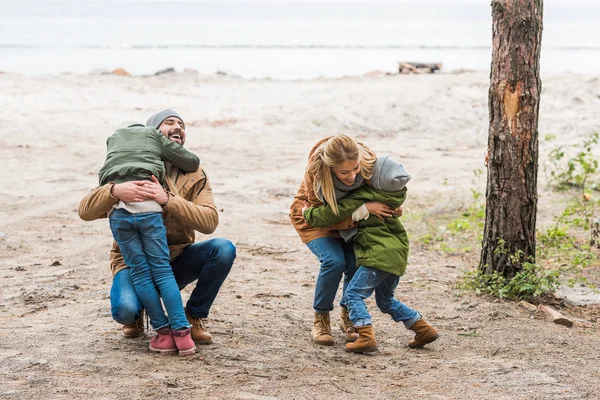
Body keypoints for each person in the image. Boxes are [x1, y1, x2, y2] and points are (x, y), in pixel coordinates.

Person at [79, 110, 236, 348]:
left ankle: (193, 316)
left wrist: (168, 200)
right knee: (125, 310)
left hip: (176, 258)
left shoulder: (196, 175)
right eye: (169, 123)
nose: (177, 127)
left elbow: (209, 222)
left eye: (181, 124)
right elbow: (85, 211)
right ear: (151, 134)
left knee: (223, 249)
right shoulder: (131, 166)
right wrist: (114, 191)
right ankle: (137, 314)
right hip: (132, 263)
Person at [303, 156, 439, 353]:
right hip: (397, 257)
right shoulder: (395, 196)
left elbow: (332, 213)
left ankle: (366, 336)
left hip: (377, 257)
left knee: (352, 295)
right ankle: (422, 328)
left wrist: (307, 213)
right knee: (386, 300)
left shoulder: (364, 195)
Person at [97, 121, 200, 355]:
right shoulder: (153, 137)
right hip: (150, 211)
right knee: (162, 271)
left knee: (141, 273)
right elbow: (192, 161)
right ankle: (183, 337)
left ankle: (163, 333)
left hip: (120, 213)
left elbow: (106, 172)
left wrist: (113, 190)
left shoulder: (113, 137)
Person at [289, 134, 402, 346]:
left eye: (355, 169)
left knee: (355, 262)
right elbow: (322, 216)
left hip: (355, 221)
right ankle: (321, 317)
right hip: (315, 219)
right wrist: (363, 210)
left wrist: (391, 207)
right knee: (334, 261)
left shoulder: (368, 162)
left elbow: (383, 193)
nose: (351, 176)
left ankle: (348, 314)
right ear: (331, 168)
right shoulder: (317, 171)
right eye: (344, 172)